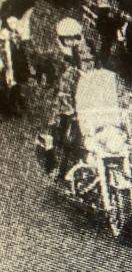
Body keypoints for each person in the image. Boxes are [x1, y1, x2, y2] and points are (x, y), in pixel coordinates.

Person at [47, 16, 96, 181]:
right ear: (61, 39)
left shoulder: (87, 48)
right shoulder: (57, 57)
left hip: (86, 96)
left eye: (76, 37)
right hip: (65, 99)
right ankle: (55, 166)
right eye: (68, 39)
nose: (73, 41)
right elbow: (57, 81)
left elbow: (98, 69)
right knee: (59, 131)